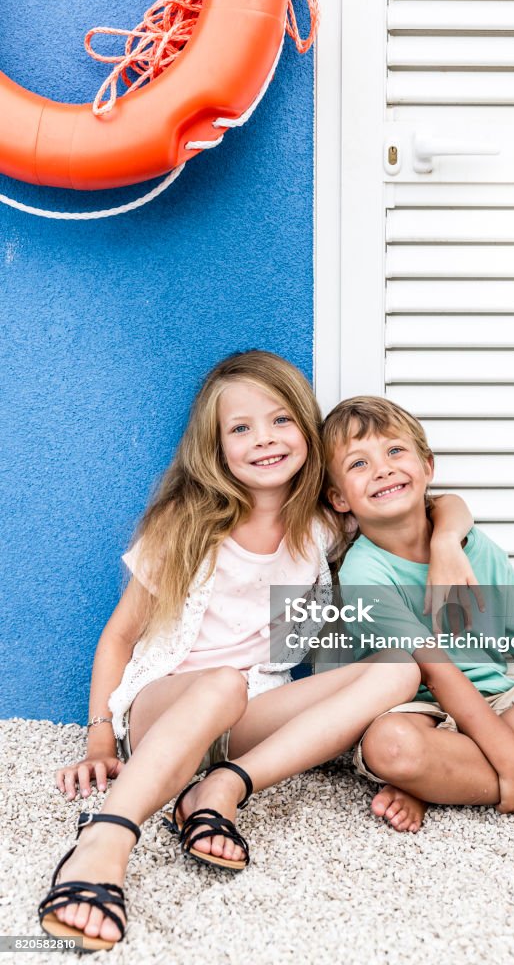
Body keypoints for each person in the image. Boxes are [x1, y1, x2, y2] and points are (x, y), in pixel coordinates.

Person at [39, 351, 476, 952]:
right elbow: (118, 636)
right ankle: (106, 840)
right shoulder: (184, 525)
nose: (263, 439)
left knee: (398, 668)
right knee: (220, 681)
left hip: (249, 713)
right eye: (240, 428)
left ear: (305, 426)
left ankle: (222, 786)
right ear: (216, 450)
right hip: (164, 707)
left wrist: (448, 541)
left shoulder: (322, 524)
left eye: (280, 421)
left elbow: (439, 503)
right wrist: (98, 734)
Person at [322, 396, 514, 834]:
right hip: (417, 710)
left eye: (394, 451)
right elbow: (437, 676)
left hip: (501, 707)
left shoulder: (477, 548)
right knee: (391, 748)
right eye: (358, 464)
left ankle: (440, 781)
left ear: (428, 467)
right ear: (338, 499)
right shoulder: (363, 573)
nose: (383, 469)